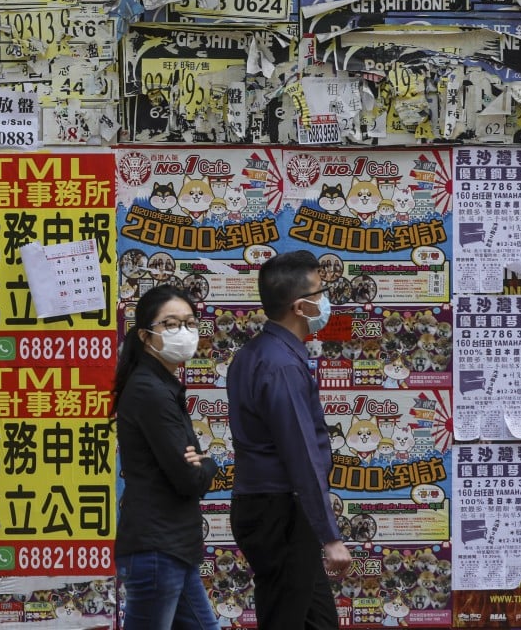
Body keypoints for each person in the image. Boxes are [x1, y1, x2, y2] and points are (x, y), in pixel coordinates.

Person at [227, 250, 351, 629]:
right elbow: (301, 454)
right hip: (279, 513)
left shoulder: (258, 354)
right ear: (301, 306)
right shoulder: (279, 365)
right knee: (285, 619)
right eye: (320, 292)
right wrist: (330, 536)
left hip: (273, 510)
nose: (326, 300)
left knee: (318, 621)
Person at [113, 285, 220, 630]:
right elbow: (188, 477)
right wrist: (208, 463)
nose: (184, 332)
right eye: (171, 324)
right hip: (157, 549)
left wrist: (199, 461)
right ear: (146, 336)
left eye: (189, 322)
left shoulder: (162, 385)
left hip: (173, 548)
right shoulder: (150, 390)